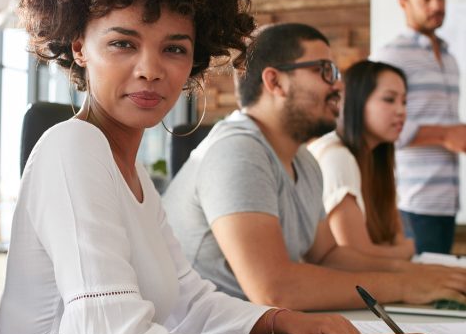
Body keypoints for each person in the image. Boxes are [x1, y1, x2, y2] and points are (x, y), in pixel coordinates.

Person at [0, 0, 430, 334]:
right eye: (124, 43)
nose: (150, 69)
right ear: (79, 45)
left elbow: (187, 299)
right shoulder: (71, 149)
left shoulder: (133, 171)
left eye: (173, 49)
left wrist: (278, 321)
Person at [163, 23, 466, 311]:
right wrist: (404, 286)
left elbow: (327, 256)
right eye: (325, 71)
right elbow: (274, 289)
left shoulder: (304, 161)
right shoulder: (237, 151)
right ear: (275, 82)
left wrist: (419, 272)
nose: (338, 86)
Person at [370, 0, 466, 254]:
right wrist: (444, 135)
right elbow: (374, 121)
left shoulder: (448, 56)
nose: (436, 4)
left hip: (447, 201)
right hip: (412, 203)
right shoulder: (391, 56)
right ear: (403, 3)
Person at [308, 60, 415, 260]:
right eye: (389, 99)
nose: (401, 111)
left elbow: (394, 236)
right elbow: (356, 255)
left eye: (404, 101)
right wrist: (406, 250)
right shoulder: (336, 156)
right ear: (356, 102)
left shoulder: (377, 157)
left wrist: (401, 249)